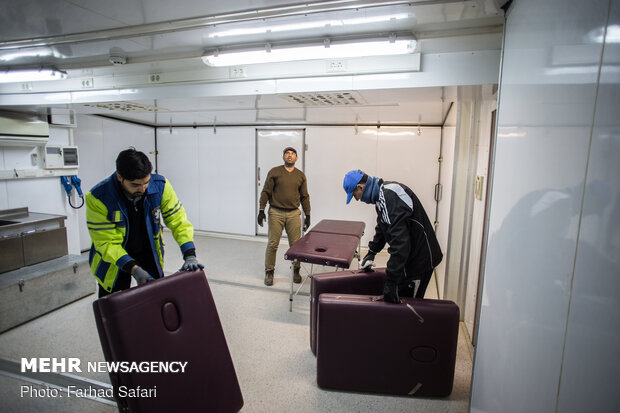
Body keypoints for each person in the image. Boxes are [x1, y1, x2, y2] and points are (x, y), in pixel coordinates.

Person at [86, 148, 203, 297]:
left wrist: (189, 254)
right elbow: (107, 243)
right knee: (114, 303)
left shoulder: (160, 185)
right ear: (120, 177)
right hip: (114, 260)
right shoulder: (99, 198)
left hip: (149, 250)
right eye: (135, 185)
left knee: (156, 298)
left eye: (146, 182)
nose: (142, 189)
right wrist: (134, 269)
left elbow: (178, 220)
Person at [343, 169, 442, 302]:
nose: (357, 199)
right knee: (399, 300)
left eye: (355, 195)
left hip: (420, 260)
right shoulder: (382, 195)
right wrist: (372, 251)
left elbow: (400, 245)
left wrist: (391, 281)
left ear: (360, 187)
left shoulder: (389, 198)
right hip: (411, 256)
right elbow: (383, 227)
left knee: (409, 306)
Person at [258, 147, 311, 286]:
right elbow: (266, 192)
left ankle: (296, 271)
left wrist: (308, 214)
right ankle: (269, 272)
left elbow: (304, 196)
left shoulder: (300, 175)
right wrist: (261, 209)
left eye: (293, 154)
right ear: (283, 157)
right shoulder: (274, 172)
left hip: (294, 213)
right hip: (276, 212)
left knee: (296, 245)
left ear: (296, 158)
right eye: (287, 153)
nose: (290, 155)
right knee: (272, 244)